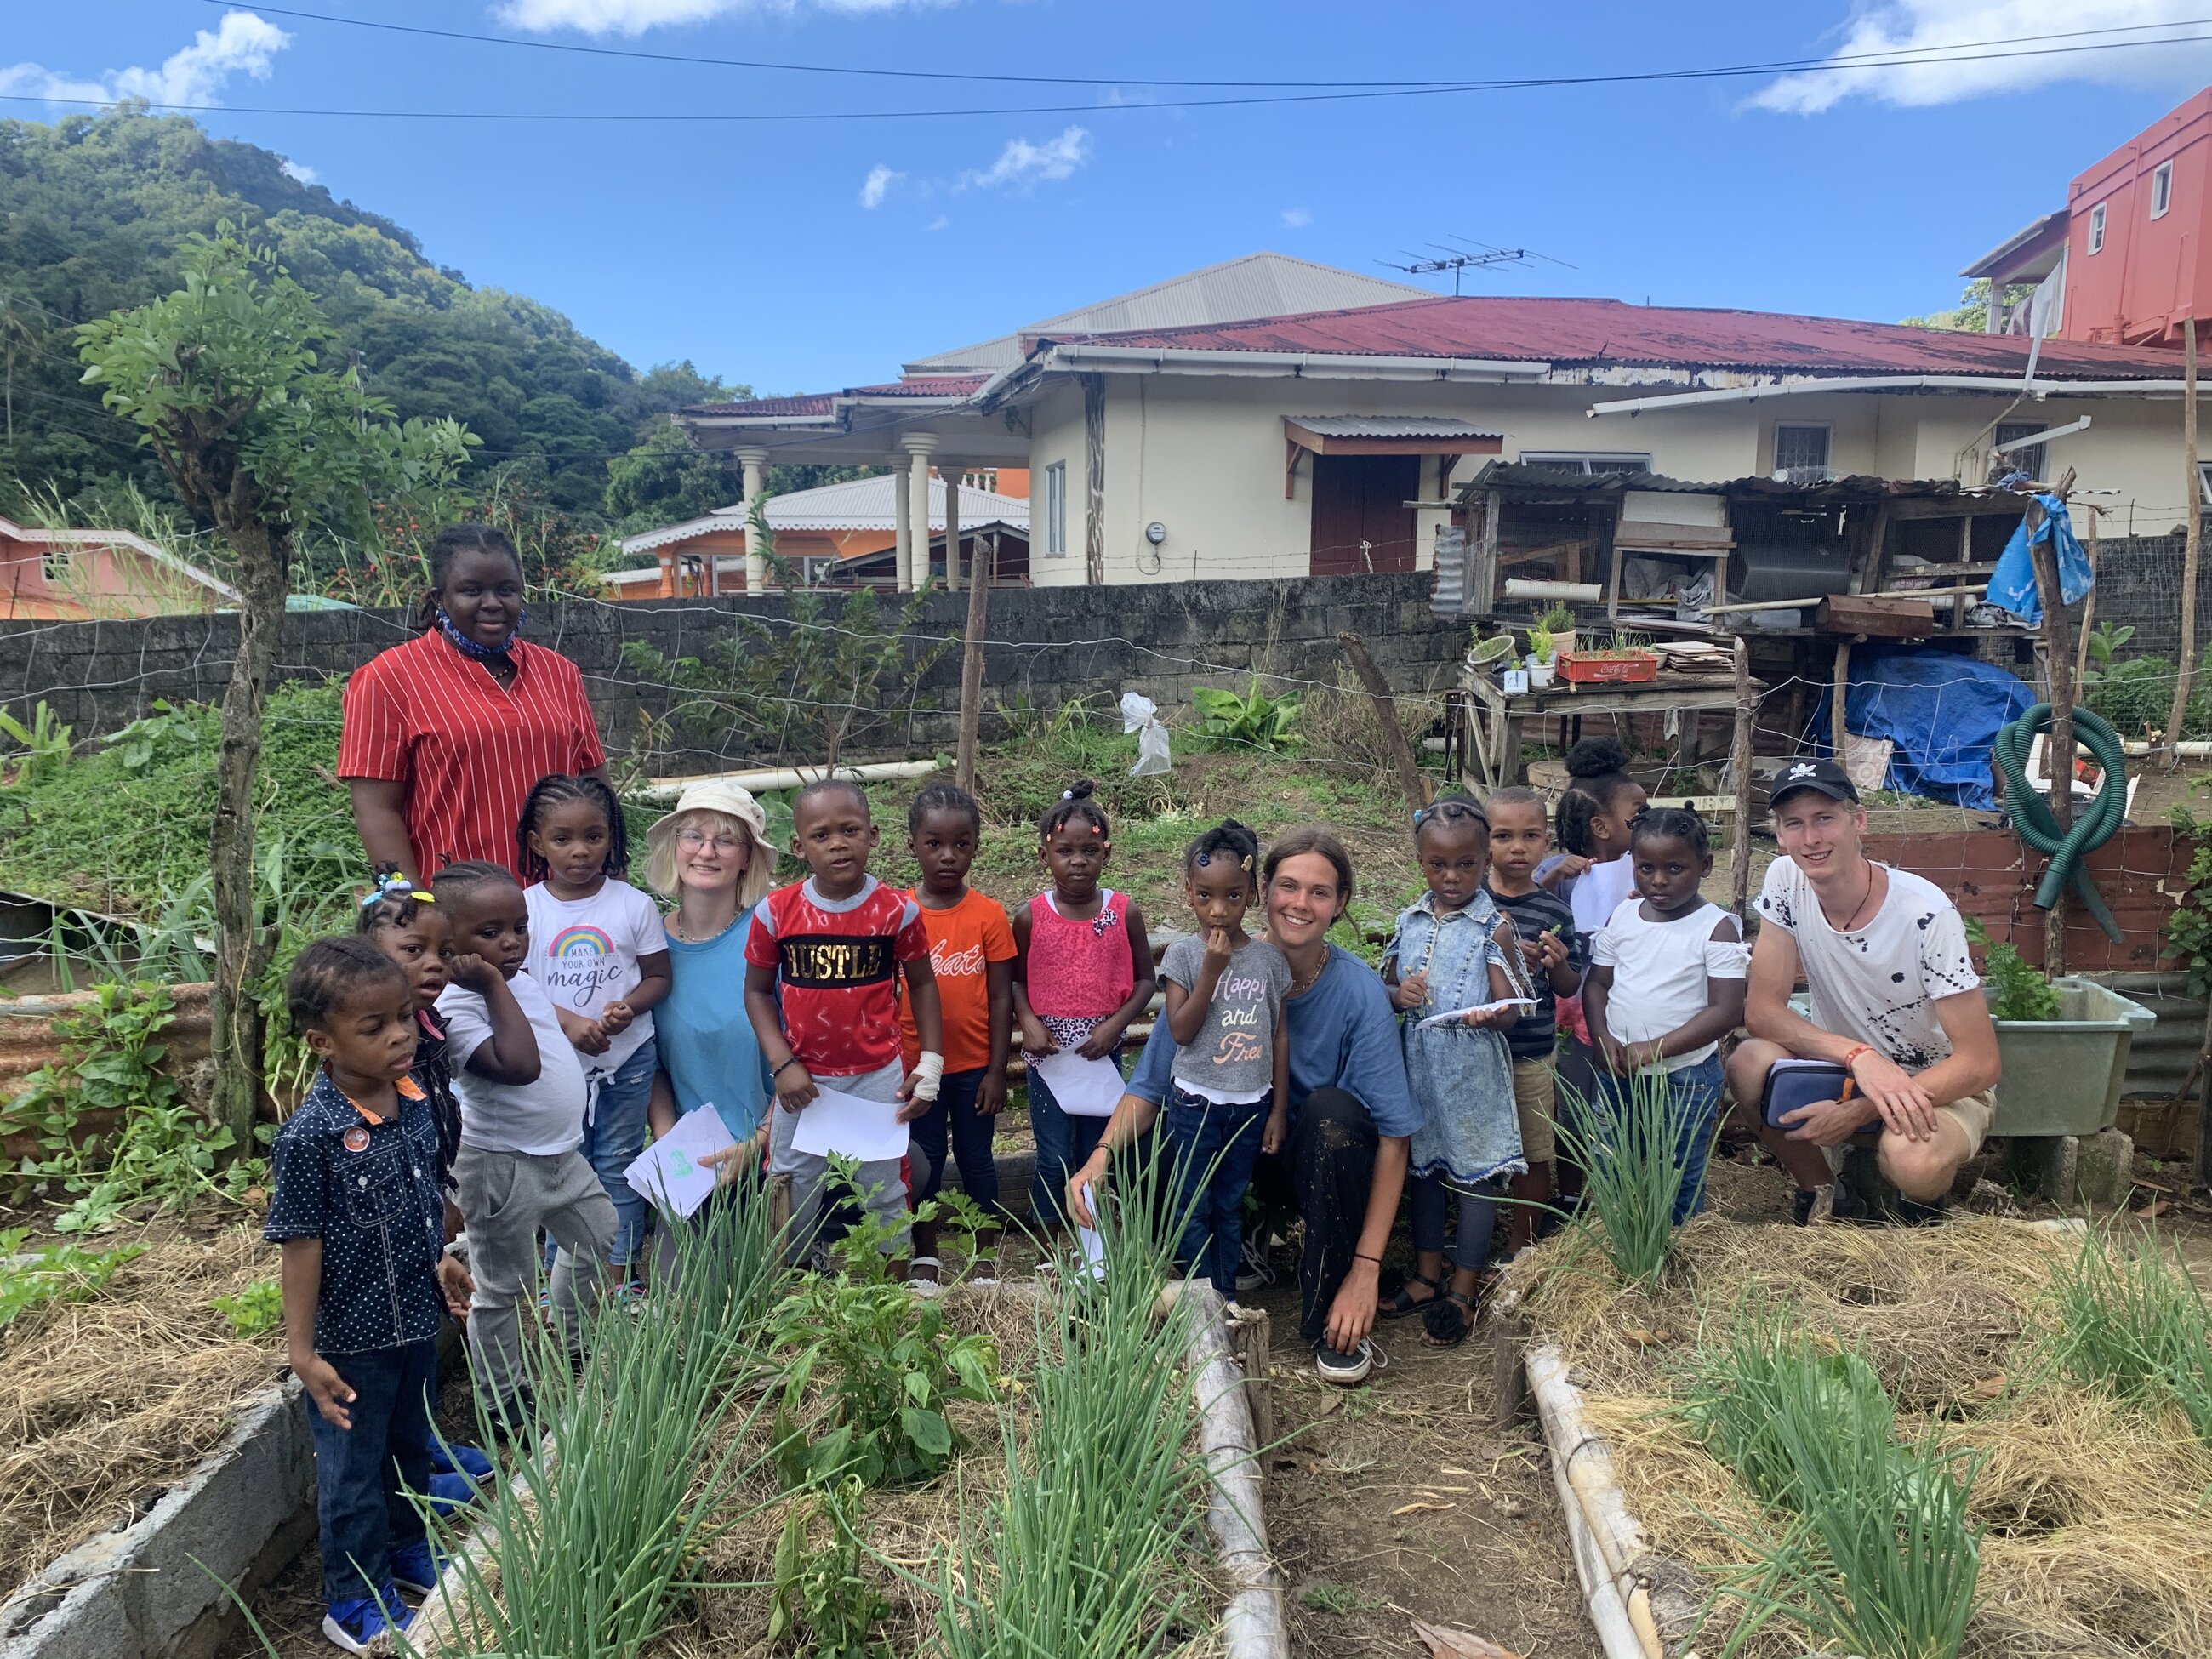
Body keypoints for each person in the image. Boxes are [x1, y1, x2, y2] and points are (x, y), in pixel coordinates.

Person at [1071, 829, 1419, 1387]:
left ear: (1341, 904)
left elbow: (1395, 1138)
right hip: (1228, 1138)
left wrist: (1366, 1269)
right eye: (1288, 886)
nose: (1300, 904)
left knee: (1333, 1116)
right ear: (1263, 890)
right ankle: (1199, 1282)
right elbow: (1151, 1085)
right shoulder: (1215, 961)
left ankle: (1330, 1307)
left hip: (1308, 1159)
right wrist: (1099, 1157)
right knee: (1143, 1147)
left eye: (1320, 892)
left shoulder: (1359, 995)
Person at [265, 938, 448, 1655]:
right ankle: (353, 1598)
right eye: (374, 1028)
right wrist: (304, 1353)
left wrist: (441, 1266)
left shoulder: (412, 1099)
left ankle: (406, 1551)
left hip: (414, 1320)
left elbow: (419, 1201)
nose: (400, 1035)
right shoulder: (311, 1137)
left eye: (403, 1017)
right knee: (353, 1474)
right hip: (353, 1342)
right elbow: (300, 1246)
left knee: (409, 1447)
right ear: (323, 1043)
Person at [1725, 758, 2000, 1224]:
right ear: (1779, 834)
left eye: (1825, 818)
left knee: (1914, 1161)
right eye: (1795, 824)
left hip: (1933, 1084)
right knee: (1747, 1063)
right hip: (1845, 1070)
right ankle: (1826, 1194)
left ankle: (1924, 1212)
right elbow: (1763, 1012)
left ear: (1859, 821)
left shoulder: (1925, 914)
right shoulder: (1787, 880)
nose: (1811, 839)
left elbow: (1981, 1063)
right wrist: (1859, 1057)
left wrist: (1862, 1109)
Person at [431, 860, 614, 1438]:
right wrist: (487, 983)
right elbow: (517, 1065)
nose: (509, 943)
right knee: (503, 1286)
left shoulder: (519, 979)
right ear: (449, 943)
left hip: (560, 1154)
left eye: (518, 927)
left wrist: (504, 980)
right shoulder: (455, 1006)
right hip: (500, 1165)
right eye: (489, 934)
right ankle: (503, 1398)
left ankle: (575, 1337)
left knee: (600, 1234)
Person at [744, 779, 944, 1268]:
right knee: (791, 1185)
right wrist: (781, 1063)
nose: (837, 843)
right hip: (802, 1081)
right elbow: (754, 993)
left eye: (850, 830)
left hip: (877, 1078)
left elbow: (922, 986)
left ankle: (893, 1294)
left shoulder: (900, 911)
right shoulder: (776, 912)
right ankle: (789, 1292)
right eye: (821, 835)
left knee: (884, 1186)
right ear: (798, 846)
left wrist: (932, 1062)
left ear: (872, 835)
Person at [341, 524, 609, 886]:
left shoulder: (560, 673)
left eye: (506, 590)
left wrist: (613, 880)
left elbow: (595, 784)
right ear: (439, 598)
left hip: (566, 905)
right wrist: (413, 905)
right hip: (458, 912)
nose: (493, 603)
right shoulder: (387, 679)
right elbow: (376, 810)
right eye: (472, 590)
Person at [1379, 797, 1525, 1349]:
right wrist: (1400, 993)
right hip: (1419, 1071)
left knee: (1476, 1178)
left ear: (1485, 860)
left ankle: (1463, 1286)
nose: (1452, 876)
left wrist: (1492, 1012)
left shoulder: (1495, 926)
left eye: (1466, 864)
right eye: (1438, 865)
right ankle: (1425, 1274)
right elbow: (1388, 987)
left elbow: (1511, 1008)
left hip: (1472, 1076)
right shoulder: (1410, 920)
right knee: (1424, 1174)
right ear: (1421, 864)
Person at [516, 774, 670, 1292]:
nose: (580, 851)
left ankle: (617, 1275)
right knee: (567, 1166)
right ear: (538, 844)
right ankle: (565, 1281)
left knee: (618, 1161)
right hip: (555, 1068)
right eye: (562, 839)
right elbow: (515, 983)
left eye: (594, 837)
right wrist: (570, 1024)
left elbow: (658, 977)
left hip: (627, 1060)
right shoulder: (526, 910)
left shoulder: (633, 905)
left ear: (611, 837)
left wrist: (626, 1008)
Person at [1146, 819, 1289, 1305]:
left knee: (1229, 1205)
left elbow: (1279, 1036)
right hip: (1195, 1103)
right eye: (1206, 896)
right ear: (1188, 892)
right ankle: (1200, 1299)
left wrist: (1276, 1110)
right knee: (1192, 1204)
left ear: (1254, 893)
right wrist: (1212, 969)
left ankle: (1225, 1298)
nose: (1219, 910)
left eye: (1232, 896)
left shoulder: (1270, 962)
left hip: (1249, 1105)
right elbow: (1182, 1031)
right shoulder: (1184, 955)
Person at [1583, 807, 1748, 1223]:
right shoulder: (1623, 916)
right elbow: (1598, 984)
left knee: (1677, 1171)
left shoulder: (1716, 929)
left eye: (1675, 868)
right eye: (1646, 868)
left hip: (1684, 1077)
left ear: (1705, 866)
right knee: (1611, 1161)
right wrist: (1602, 1036)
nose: (1658, 880)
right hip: (1619, 1069)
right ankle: (1619, 1240)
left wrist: (1654, 1050)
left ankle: (1679, 1250)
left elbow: (1725, 1011)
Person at [1012, 780, 1157, 1236]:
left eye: (1090, 850)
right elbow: (1014, 980)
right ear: (1044, 856)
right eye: (1065, 851)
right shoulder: (1030, 916)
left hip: (1100, 1050)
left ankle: (1093, 1241)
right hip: (1049, 1055)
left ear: (1106, 853)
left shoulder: (1122, 911)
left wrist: (1114, 1027)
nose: (1078, 861)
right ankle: (1049, 1244)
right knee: (1053, 1153)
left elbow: (1145, 980)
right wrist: (1029, 1022)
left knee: (1097, 1149)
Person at [898, 783, 1015, 1293]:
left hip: (972, 1069)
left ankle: (983, 1250)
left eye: (962, 844)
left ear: (975, 846)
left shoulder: (988, 914)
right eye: (934, 844)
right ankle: (925, 1254)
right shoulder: (897, 912)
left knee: (976, 1159)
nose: (948, 856)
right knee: (922, 1163)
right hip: (915, 1068)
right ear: (912, 845)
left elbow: (1001, 998)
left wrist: (996, 1070)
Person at [1482, 785, 1582, 1252]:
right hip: (1477, 1048)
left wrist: (1555, 962)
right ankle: (1473, 1239)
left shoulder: (1556, 909)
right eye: (1503, 835)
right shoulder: (1470, 902)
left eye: (1530, 836)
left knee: (1535, 1150)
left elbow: (1568, 986)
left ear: (1548, 843)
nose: (1517, 847)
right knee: (1475, 1145)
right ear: (1484, 842)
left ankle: (1524, 1244)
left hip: (1531, 1049)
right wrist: (1499, 951)